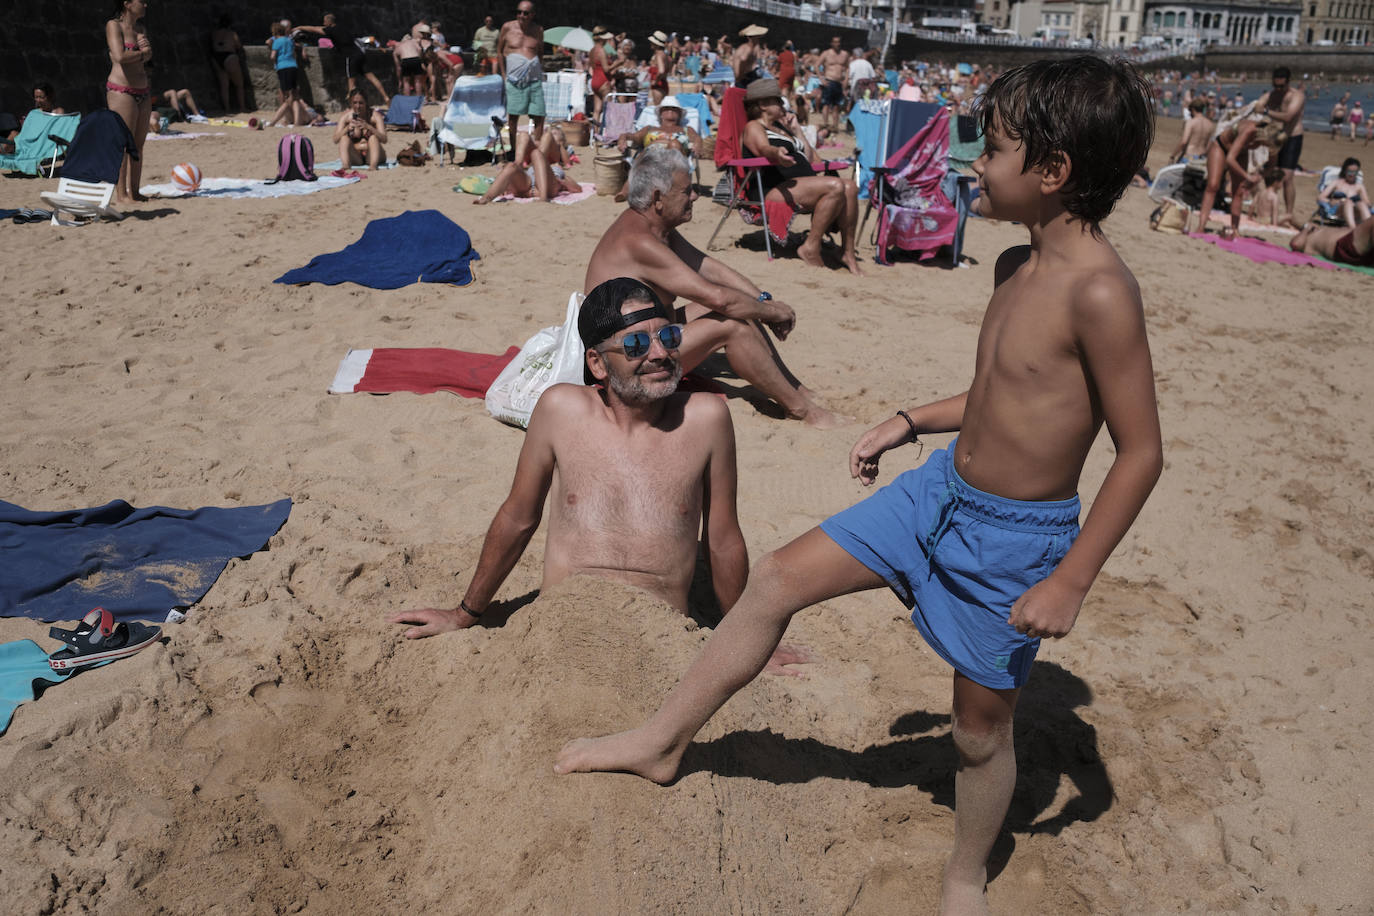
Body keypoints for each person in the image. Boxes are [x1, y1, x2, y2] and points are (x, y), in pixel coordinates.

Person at [556, 56, 1164, 915]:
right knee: (773, 580)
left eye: (990, 151)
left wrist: (1071, 579)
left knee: (979, 733)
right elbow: (1006, 396)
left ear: (1054, 172)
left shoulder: (1101, 293)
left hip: (1014, 539)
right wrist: (912, 421)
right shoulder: (1011, 268)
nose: (971, 166)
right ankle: (662, 741)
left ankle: (963, 875)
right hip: (937, 493)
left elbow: (1140, 452)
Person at [387, 278, 759, 640]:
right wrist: (465, 614)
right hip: (560, 630)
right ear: (597, 364)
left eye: (669, 337)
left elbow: (723, 538)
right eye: (636, 344)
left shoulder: (705, 418)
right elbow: (518, 518)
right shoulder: (561, 410)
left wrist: (744, 639)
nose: (660, 354)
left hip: (660, 636)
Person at [585, 146, 849, 429]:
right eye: (687, 191)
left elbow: (711, 268)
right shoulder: (639, 242)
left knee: (744, 306)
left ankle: (798, 389)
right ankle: (803, 411)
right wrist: (772, 313)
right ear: (658, 199)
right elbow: (719, 298)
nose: (695, 196)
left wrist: (762, 301)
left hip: (648, 338)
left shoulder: (654, 228)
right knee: (731, 325)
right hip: (623, 359)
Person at [741, 79, 861, 275]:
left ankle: (847, 252)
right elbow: (763, 148)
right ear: (762, 105)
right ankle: (810, 247)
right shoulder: (754, 127)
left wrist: (796, 130)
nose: (782, 105)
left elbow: (814, 160)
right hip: (775, 190)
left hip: (798, 186)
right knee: (836, 186)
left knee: (849, 187)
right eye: (778, 101)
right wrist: (776, 153)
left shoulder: (783, 128)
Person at [1194, 110, 1288, 238]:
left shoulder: (1273, 138)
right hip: (1221, 147)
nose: (1269, 148)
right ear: (1266, 138)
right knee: (1213, 186)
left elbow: (1271, 166)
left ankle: (1235, 230)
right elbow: (1230, 159)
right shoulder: (1250, 130)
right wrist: (1248, 176)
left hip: (1241, 153)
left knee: (1238, 191)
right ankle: (1201, 226)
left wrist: (1259, 177)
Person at [105, 0, 152, 204]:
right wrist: (143, 54)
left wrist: (144, 55)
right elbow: (119, 56)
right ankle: (121, 194)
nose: (145, 4)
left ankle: (135, 191)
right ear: (127, 3)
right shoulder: (113, 26)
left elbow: (143, 58)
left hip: (143, 89)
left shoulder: (140, 28)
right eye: (141, 1)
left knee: (139, 145)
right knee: (124, 145)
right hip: (121, 90)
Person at [297, 14, 389, 106]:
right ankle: (385, 97)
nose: (323, 23)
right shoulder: (342, 28)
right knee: (372, 77)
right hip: (360, 54)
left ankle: (352, 106)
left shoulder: (330, 30)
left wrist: (300, 27)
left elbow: (314, 29)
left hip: (351, 57)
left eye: (325, 21)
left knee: (351, 83)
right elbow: (370, 39)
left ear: (329, 22)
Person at [472, 127, 581, 204]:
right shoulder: (537, 150)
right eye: (552, 132)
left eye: (556, 133)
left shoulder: (557, 162)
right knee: (511, 166)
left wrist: (563, 183)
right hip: (527, 186)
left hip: (546, 187)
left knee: (536, 154)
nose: (552, 134)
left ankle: (543, 199)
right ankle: (486, 198)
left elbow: (577, 188)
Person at [497, 0, 546, 153]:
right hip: (514, 80)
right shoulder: (507, 27)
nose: (521, 15)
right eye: (519, 12)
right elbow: (499, 51)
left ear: (532, 14)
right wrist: (504, 75)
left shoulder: (538, 30)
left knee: (539, 115)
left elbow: (540, 52)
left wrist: (536, 67)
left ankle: (536, 149)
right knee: (513, 116)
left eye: (525, 13)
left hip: (534, 80)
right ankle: (512, 150)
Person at [1264, 67, 1305, 218]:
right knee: (1269, 172)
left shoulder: (1297, 96)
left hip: (1292, 136)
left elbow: (1288, 117)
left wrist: (1266, 112)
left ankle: (1288, 213)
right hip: (1275, 136)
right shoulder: (1272, 94)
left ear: (1288, 83)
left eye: (1282, 86)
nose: (1279, 89)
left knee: (1287, 177)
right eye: (1276, 86)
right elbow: (1257, 105)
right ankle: (1267, 206)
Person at [332, 88, 387, 170]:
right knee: (344, 138)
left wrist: (369, 127)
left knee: (373, 138)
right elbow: (335, 139)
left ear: (366, 103)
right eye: (355, 103)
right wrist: (346, 129)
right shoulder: (346, 117)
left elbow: (384, 139)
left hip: (373, 155)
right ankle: (346, 165)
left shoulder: (374, 116)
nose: (357, 106)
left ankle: (373, 166)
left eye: (361, 103)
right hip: (356, 157)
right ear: (351, 103)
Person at [1290, 213, 1374, 266]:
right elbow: (1295, 244)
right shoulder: (1309, 240)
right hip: (1343, 249)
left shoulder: (1317, 231)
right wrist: (1306, 228)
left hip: (1353, 245)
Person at [267, 21, 308, 127]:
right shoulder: (290, 40)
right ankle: (297, 121)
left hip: (283, 68)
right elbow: (294, 53)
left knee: (288, 98)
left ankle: (274, 121)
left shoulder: (276, 41)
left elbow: (273, 56)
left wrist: (275, 59)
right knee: (294, 96)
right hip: (293, 67)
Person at [1316, 157, 1370, 228]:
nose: (1352, 175)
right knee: (1348, 202)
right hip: (1338, 210)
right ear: (1345, 171)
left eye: (1355, 172)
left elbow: (1367, 203)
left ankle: (1369, 229)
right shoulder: (1337, 183)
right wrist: (1333, 201)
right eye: (1350, 172)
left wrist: (1358, 202)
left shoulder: (1359, 186)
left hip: (1354, 211)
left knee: (1361, 204)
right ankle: (1353, 229)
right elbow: (1320, 197)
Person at [209, 15, 247, 113]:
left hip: (216, 57)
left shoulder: (214, 33)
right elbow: (238, 45)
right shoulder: (232, 33)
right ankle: (242, 107)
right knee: (239, 84)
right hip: (229, 56)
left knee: (224, 86)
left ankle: (227, 109)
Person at [817, 36, 849, 134]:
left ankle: (835, 126)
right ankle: (826, 124)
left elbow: (847, 68)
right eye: (835, 42)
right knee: (826, 104)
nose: (837, 44)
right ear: (832, 43)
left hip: (838, 82)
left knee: (836, 106)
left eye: (838, 42)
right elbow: (817, 65)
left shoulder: (845, 54)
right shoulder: (826, 53)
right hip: (829, 80)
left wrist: (846, 80)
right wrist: (821, 79)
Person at [1171, 97, 1214, 162]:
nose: (1190, 113)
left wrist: (1173, 156)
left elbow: (1184, 142)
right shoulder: (1210, 125)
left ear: (1193, 109)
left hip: (1189, 156)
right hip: (1201, 158)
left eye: (1190, 111)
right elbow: (1209, 146)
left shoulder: (1191, 122)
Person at [393, 26, 430, 97]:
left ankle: (407, 98)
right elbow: (419, 49)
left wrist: (399, 80)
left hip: (405, 60)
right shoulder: (414, 42)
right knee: (418, 80)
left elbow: (398, 67)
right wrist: (420, 60)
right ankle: (418, 97)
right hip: (416, 58)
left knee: (406, 81)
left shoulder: (399, 46)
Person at [588, 27, 614, 122]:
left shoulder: (592, 50)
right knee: (608, 109)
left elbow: (591, 66)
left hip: (595, 81)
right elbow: (606, 69)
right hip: (603, 81)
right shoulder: (601, 50)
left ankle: (595, 132)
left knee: (596, 110)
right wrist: (617, 64)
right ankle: (607, 132)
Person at [648, 31, 671, 105]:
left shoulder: (658, 54)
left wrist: (656, 80)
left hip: (658, 85)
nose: (650, 44)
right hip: (663, 84)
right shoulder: (665, 55)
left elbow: (661, 70)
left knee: (658, 109)